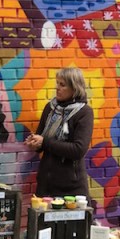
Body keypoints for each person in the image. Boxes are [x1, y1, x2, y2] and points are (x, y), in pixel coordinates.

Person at [25, 66, 94, 197]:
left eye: (62, 85)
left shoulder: (84, 112)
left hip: (71, 187)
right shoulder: (50, 108)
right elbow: (42, 139)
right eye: (57, 83)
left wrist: (44, 142)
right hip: (46, 184)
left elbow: (78, 150)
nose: (57, 88)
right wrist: (35, 143)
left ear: (74, 88)